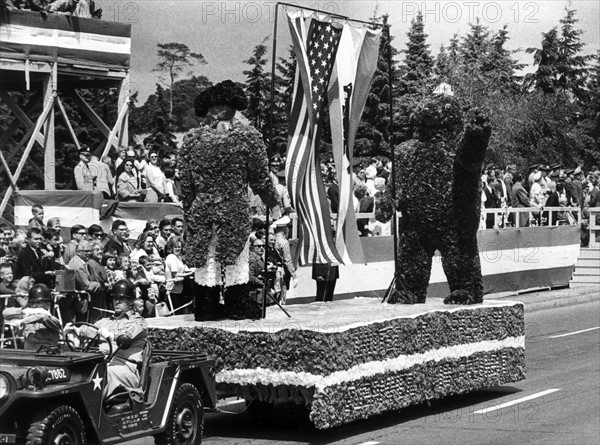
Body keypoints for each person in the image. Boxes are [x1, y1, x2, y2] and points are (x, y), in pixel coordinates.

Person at [179, 80, 278, 321]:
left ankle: (206, 307)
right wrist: (273, 202)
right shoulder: (248, 136)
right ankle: (236, 306)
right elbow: (260, 178)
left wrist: (189, 208)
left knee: (207, 258)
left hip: (201, 207)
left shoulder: (192, 139)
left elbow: (184, 180)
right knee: (237, 259)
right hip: (233, 206)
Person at [70, 280, 147, 398]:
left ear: (131, 301)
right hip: (102, 362)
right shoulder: (105, 321)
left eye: (121, 299)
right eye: (115, 298)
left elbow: (126, 335)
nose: (117, 302)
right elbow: (89, 328)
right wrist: (75, 329)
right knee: (77, 372)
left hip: (125, 366)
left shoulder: (138, 321)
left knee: (100, 375)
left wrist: (110, 335)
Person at [3, 284, 62, 351]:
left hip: (47, 355)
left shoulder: (52, 320)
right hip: (30, 355)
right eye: (32, 303)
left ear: (47, 304)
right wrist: (23, 311)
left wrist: (24, 320)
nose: (34, 306)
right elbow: (5, 313)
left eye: (38, 303)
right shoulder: (28, 313)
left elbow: (43, 317)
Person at [164, 236, 193, 313]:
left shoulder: (178, 257)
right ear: (171, 247)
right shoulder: (171, 257)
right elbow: (176, 274)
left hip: (179, 289)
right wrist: (190, 273)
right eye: (175, 247)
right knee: (177, 311)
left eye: (179, 247)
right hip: (172, 290)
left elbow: (185, 269)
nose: (178, 249)